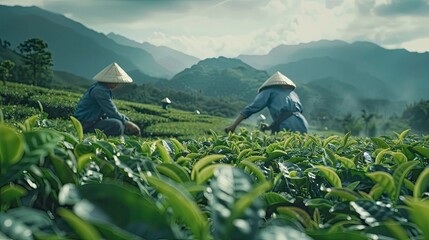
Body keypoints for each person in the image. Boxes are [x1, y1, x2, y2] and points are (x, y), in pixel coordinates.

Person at [225, 71, 308, 134]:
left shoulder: (268, 91)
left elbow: (251, 108)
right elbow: (288, 115)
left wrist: (233, 126)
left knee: (281, 152)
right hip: (303, 123)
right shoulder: (292, 93)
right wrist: (270, 127)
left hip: (287, 125)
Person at [73, 62, 141, 137]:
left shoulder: (102, 88)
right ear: (109, 80)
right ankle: (117, 145)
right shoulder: (100, 91)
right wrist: (127, 122)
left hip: (91, 121)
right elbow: (111, 112)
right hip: (85, 124)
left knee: (119, 123)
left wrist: (125, 121)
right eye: (116, 81)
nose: (117, 84)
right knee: (117, 124)